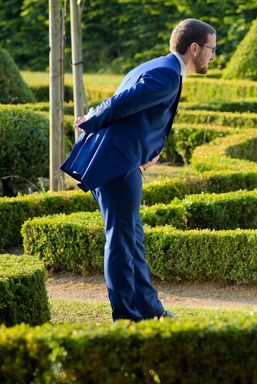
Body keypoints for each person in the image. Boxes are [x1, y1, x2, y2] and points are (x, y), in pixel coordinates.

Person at [61, 18, 216, 321]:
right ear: (194, 47)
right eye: (212, 49)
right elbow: (121, 104)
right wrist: (90, 120)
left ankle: (149, 308)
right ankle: (125, 315)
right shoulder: (166, 75)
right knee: (120, 239)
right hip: (117, 164)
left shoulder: (157, 67)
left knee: (131, 238)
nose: (213, 56)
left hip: (123, 160)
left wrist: (151, 152)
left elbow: (137, 115)